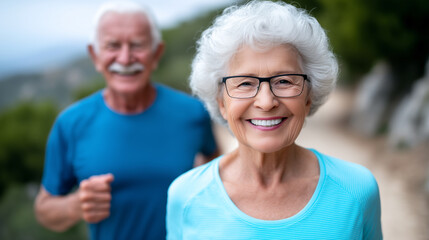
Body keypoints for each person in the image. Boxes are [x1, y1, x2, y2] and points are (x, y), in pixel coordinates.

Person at [166, 1, 382, 239]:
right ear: (221, 102)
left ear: (309, 96)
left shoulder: (357, 190)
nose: (266, 102)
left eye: (285, 81)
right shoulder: (185, 196)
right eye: (245, 83)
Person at [34, 1, 218, 239]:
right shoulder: (71, 123)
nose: (125, 57)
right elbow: (44, 209)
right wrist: (75, 205)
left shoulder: (193, 112)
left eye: (137, 45)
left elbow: (216, 169)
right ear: (95, 55)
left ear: (156, 53)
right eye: (112, 45)